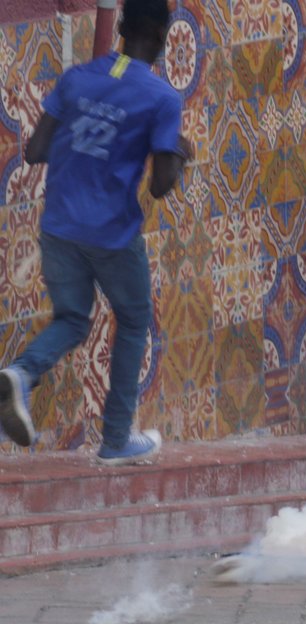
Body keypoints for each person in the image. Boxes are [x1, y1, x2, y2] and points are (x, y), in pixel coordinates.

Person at [0, 0, 191, 465]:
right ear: (164, 38)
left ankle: (20, 374)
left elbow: (36, 150)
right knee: (133, 318)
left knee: (72, 320)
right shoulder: (162, 98)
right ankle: (116, 439)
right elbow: (163, 186)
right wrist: (180, 152)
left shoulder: (76, 78)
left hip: (59, 225)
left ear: (121, 27)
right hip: (111, 235)